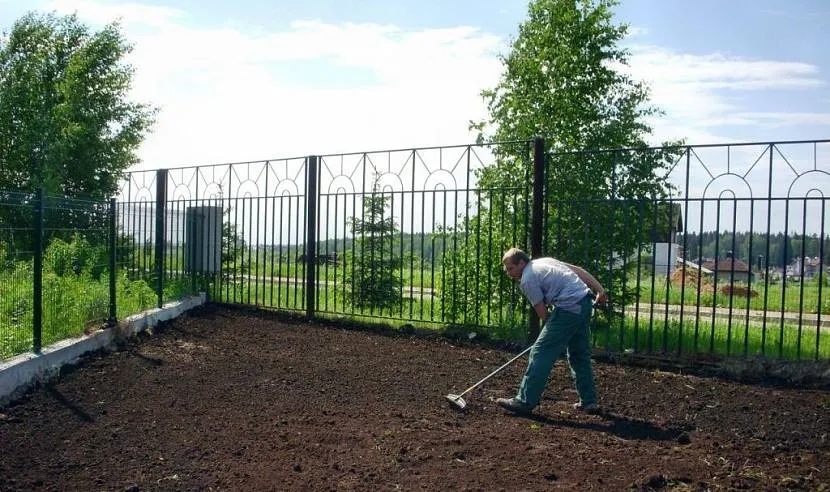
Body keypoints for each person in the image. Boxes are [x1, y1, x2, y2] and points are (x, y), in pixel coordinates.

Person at [496, 247, 608, 415]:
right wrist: (600, 290)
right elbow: (579, 271)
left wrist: (555, 330)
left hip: (569, 307)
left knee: (540, 352)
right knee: (579, 354)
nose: (508, 272)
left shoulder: (527, 279)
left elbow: (543, 314)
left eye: (510, 268)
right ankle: (589, 401)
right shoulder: (546, 261)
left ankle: (524, 401)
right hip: (584, 302)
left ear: (521, 263)